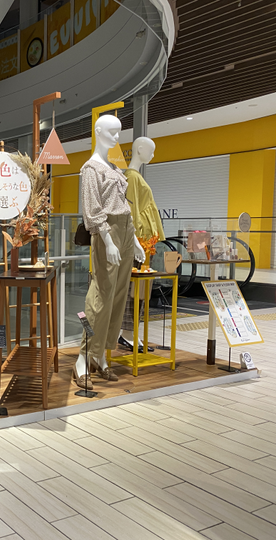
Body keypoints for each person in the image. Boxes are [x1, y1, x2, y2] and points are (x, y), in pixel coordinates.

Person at [74, 115, 145, 390]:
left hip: (125, 231)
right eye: (112, 132)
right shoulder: (91, 169)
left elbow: (124, 207)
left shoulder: (114, 168)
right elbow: (92, 210)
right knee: (100, 296)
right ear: (98, 131)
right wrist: (108, 239)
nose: (116, 137)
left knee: (118, 296)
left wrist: (134, 239)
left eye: (119, 132)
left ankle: (101, 355)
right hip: (107, 233)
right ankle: (83, 358)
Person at [119, 136, 166, 352]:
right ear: (139, 149)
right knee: (134, 290)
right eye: (151, 150)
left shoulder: (135, 177)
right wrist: (136, 241)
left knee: (140, 291)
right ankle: (127, 333)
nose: (153, 155)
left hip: (145, 243)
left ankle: (130, 333)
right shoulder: (131, 177)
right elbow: (130, 212)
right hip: (139, 243)